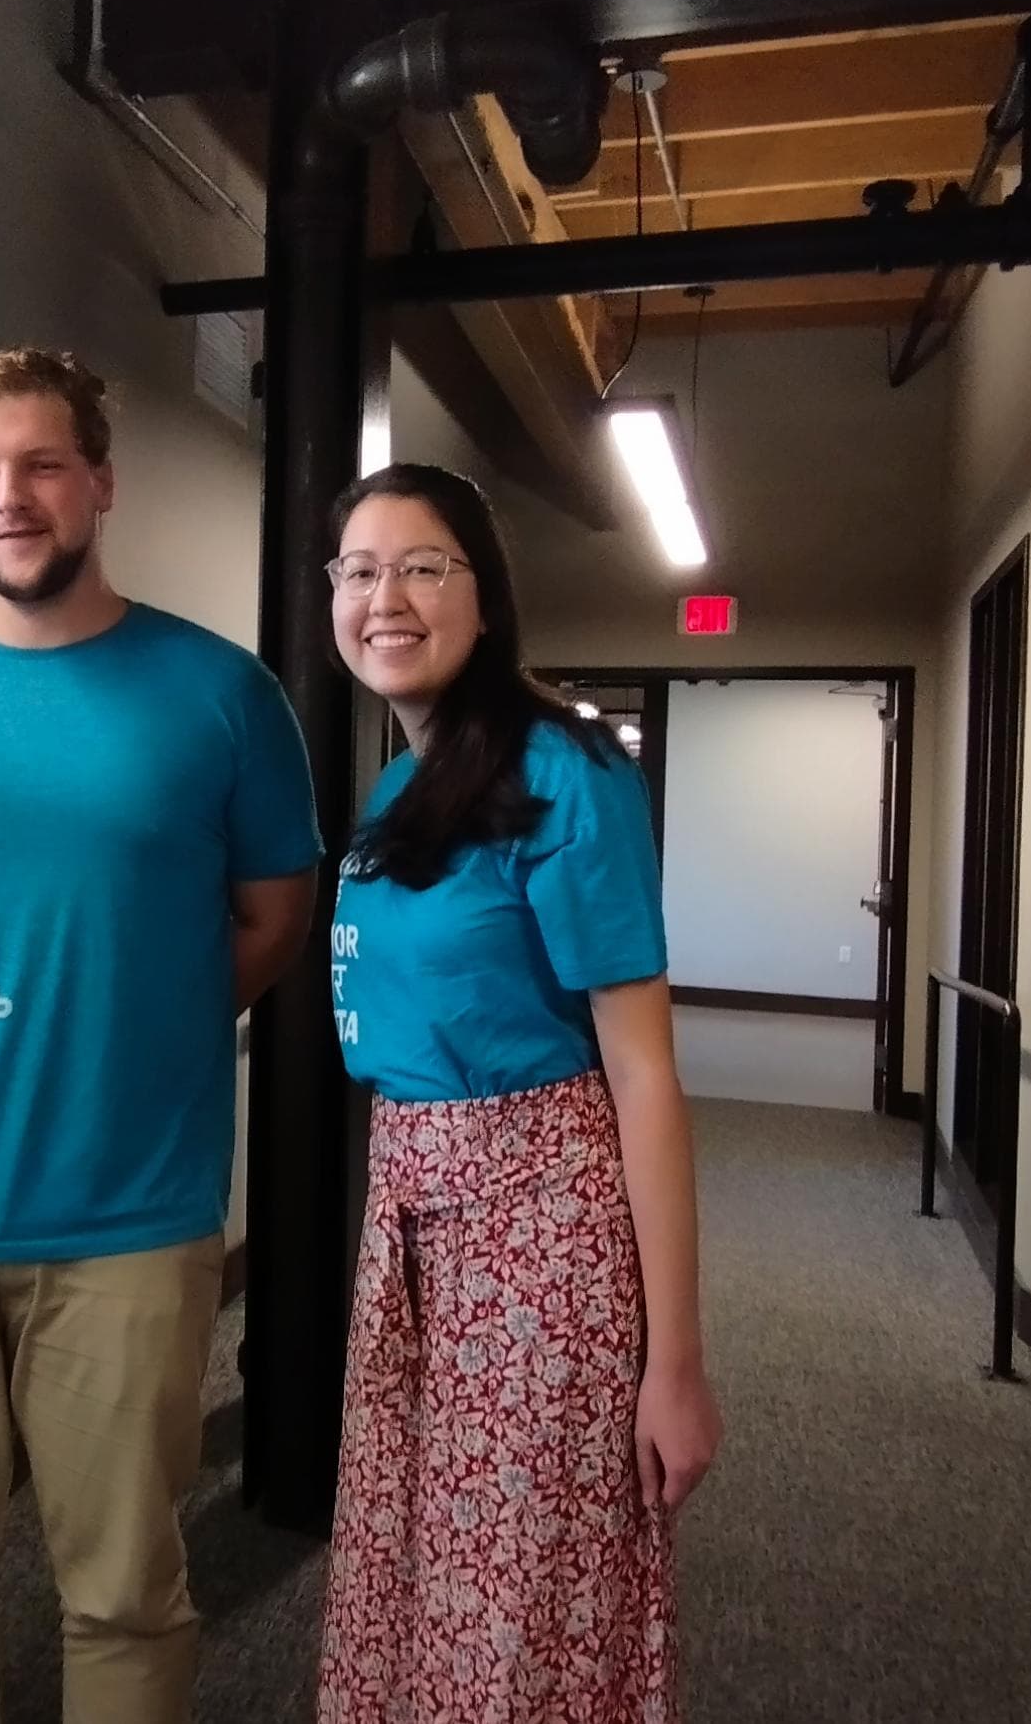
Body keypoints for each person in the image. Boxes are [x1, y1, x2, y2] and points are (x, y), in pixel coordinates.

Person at [0, 347, 323, 1724]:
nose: (10, 495)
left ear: (100, 479)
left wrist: (135, 1009)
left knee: (121, 1589)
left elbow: (275, 912)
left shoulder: (222, 692)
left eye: (41, 464)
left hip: (130, 1214)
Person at [312, 463, 720, 1723]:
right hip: (412, 1221)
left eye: (422, 565)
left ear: (485, 599)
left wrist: (677, 1362)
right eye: (358, 569)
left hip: (540, 1235)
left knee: (523, 1590)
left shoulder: (565, 775)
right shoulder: (399, 787)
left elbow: (645, 1072)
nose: (385, 596)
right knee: (423, 1560)